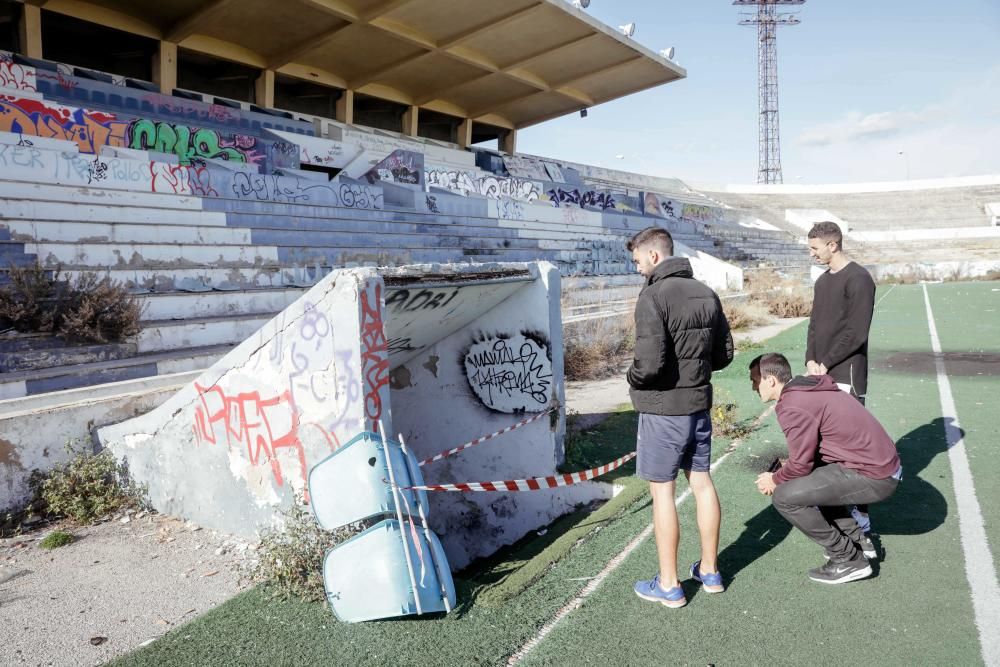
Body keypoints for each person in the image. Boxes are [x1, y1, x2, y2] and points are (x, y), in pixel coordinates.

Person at [626, 226, 734, 608]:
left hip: (664, 410)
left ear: (654, 256)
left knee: (663, 494)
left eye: (637, 260)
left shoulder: (653, 295)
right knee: (702, 483)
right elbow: (723, 355)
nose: (637, 268)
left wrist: (632, 378)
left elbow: (649, 365)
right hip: (698, 406)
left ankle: (669, 584)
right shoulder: (707, 292)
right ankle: (709, 570)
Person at [750, 353, 902, 584]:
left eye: (754, 380)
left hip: (877, 476)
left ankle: (848, 559)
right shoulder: (808, 388)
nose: (753, 387)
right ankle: (860, 542)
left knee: (785, 497)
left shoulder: (792, 404)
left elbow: (800, 464)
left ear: (770, 380)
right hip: (882, 466)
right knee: (811, 480)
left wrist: (775, 479)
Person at [805, 221, 879, 548]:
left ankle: (862, 525)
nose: (812, 253)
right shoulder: (822, 281)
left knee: (850, 453)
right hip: (819, 374)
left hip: (845, 374)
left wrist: (827, 361)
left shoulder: (859, 279)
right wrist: (811, 359)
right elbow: (814, 325)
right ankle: (841, 520)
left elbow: (857, 331)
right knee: (826, 449)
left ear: (832, 245)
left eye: (815, 248)